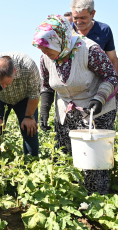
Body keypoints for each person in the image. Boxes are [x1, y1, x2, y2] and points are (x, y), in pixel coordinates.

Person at [33, 14, 117, 195]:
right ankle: (72, 196)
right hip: (66, 111)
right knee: (64, 155)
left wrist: (99, 98)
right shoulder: (46, 57)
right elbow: (46, 86)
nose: (44, 52)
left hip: (96, 110)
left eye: (47, 47)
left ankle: (96, 202)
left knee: (92, 161)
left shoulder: (89, 49)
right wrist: (44, 112)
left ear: (60, 39)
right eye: (41, 48)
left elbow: (111, 76)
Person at [0, 53, 40, 156]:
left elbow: (34, 94)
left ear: (14, 71)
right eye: (0, 84)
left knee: (30, 131)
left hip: (24, 98)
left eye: (6, 83)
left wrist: (28, 117)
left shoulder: (28, 66)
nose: (4, 87)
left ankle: (31, 162)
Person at [70, 0, 118, 72]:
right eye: (75, 18)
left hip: (98, 81)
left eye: (83, 18)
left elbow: (112, 59)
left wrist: (115, 82)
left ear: (93, 14)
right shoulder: (67, 31)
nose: (78, 22)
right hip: (72, 81)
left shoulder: (104, 30)